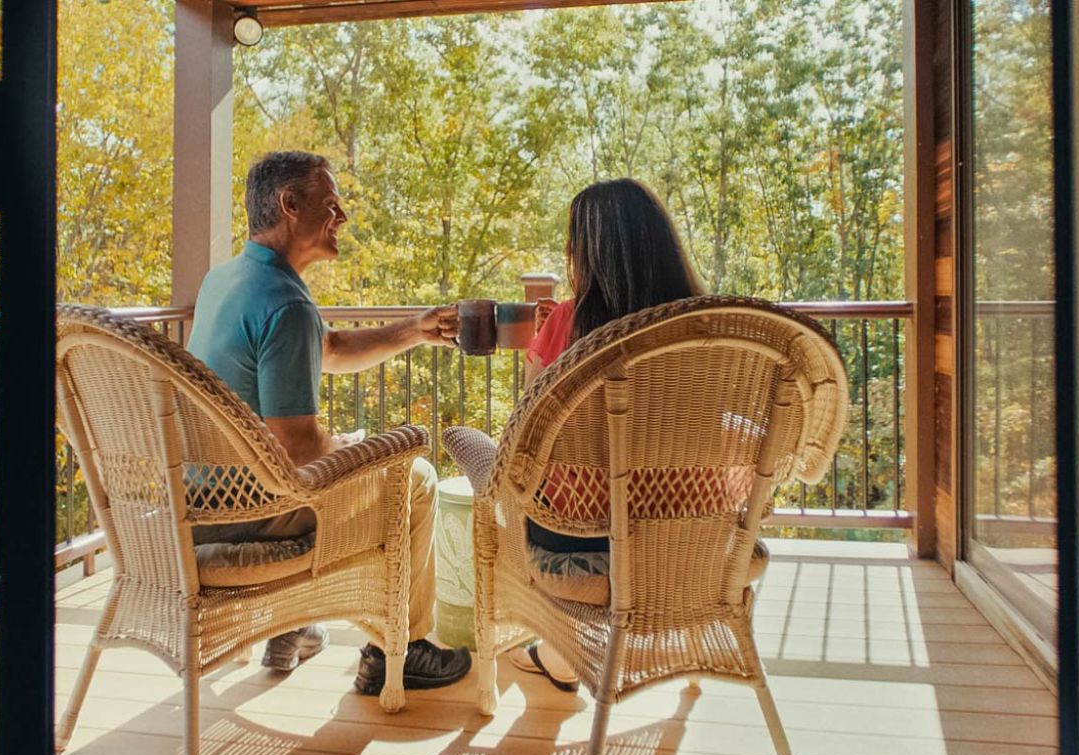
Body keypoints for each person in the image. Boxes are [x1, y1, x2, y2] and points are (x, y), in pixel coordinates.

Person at [186, 151, 472, 695]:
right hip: (253, 516)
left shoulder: (228, 280)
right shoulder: (285, 304)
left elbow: (332, 348)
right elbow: (296, 450)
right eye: (332, 204)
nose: (342, 218)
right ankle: (401, 649)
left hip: (201, 501)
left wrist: (415, 329)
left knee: (358, 464)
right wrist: (349, 445)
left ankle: (292, 625)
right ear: (290, 205)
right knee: (413, 477)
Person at [511, 178, 706, 691]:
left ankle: (554, 653)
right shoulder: (706, 327)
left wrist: (546, 341)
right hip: (692, 531)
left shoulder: (573, 323)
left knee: (499, 488)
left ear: (589, 252)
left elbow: (529, 426)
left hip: (583, 532)